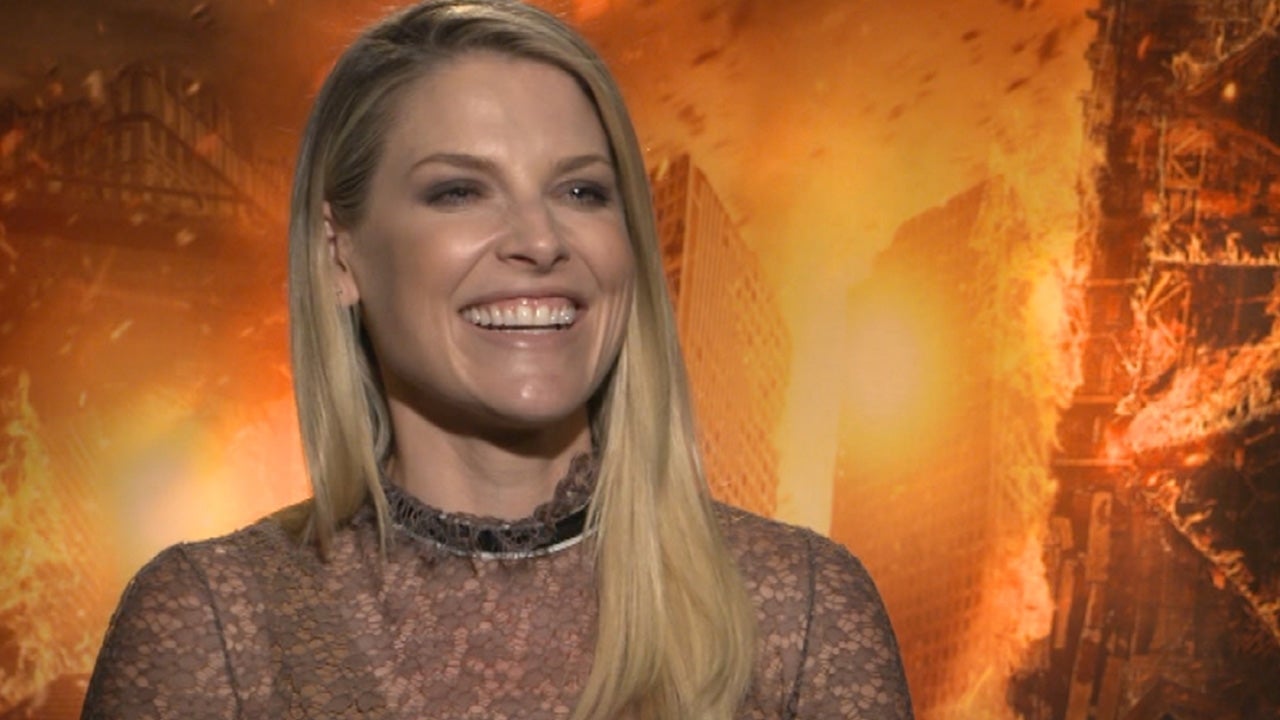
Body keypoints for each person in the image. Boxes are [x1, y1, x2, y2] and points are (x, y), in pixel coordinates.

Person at [81, 1, 913, 718]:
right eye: (460, 191)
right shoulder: (217, 627)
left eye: (582, 191)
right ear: (339, 254)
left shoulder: (798, 611)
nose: (541, 240)